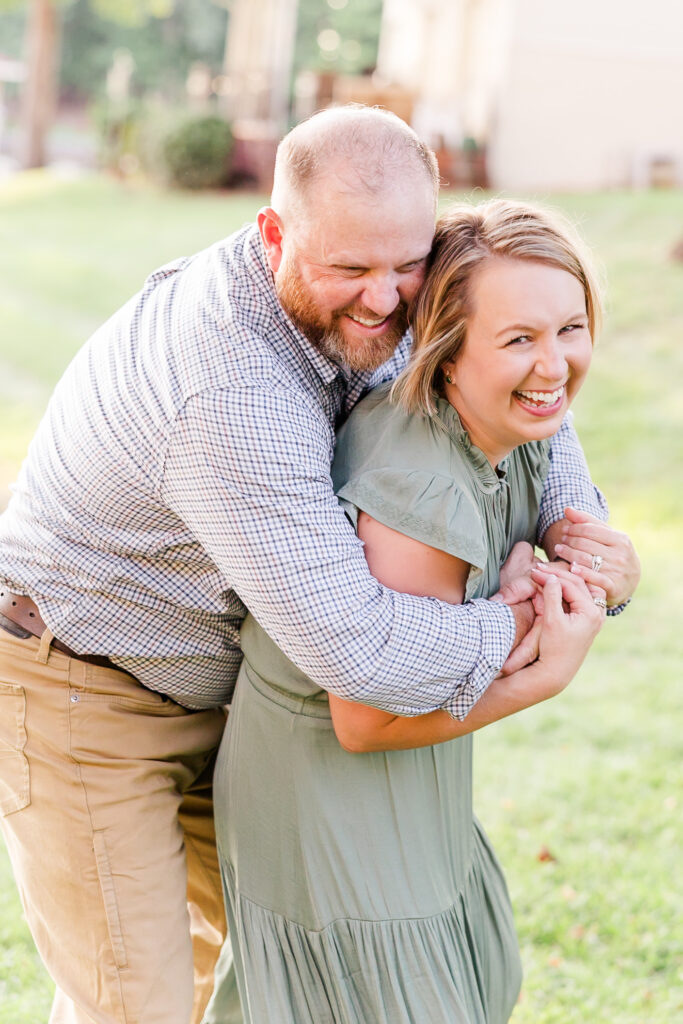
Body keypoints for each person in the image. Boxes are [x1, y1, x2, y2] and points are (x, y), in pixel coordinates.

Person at [0, 107, 637, 1024]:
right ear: (274, 234)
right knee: (136, 999)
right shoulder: (229, 385)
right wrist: (533, 619)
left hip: (232, 692)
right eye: (348, 270)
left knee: (269, 973)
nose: (385, 300)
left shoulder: (398, 272)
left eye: (405, 264)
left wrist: (578, 532)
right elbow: (360, 652)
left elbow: (529, 375)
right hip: (81, 683)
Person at [207, 197, 634, 1024]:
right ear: (446, 349)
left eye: (569, 328)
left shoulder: (513, 422)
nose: (553, 364)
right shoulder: (419, 488)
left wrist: (604, 564)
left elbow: (564, 501)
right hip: (331, 789)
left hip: (414, 774)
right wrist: (541, 677)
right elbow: (365, 721)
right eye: (518, 339)